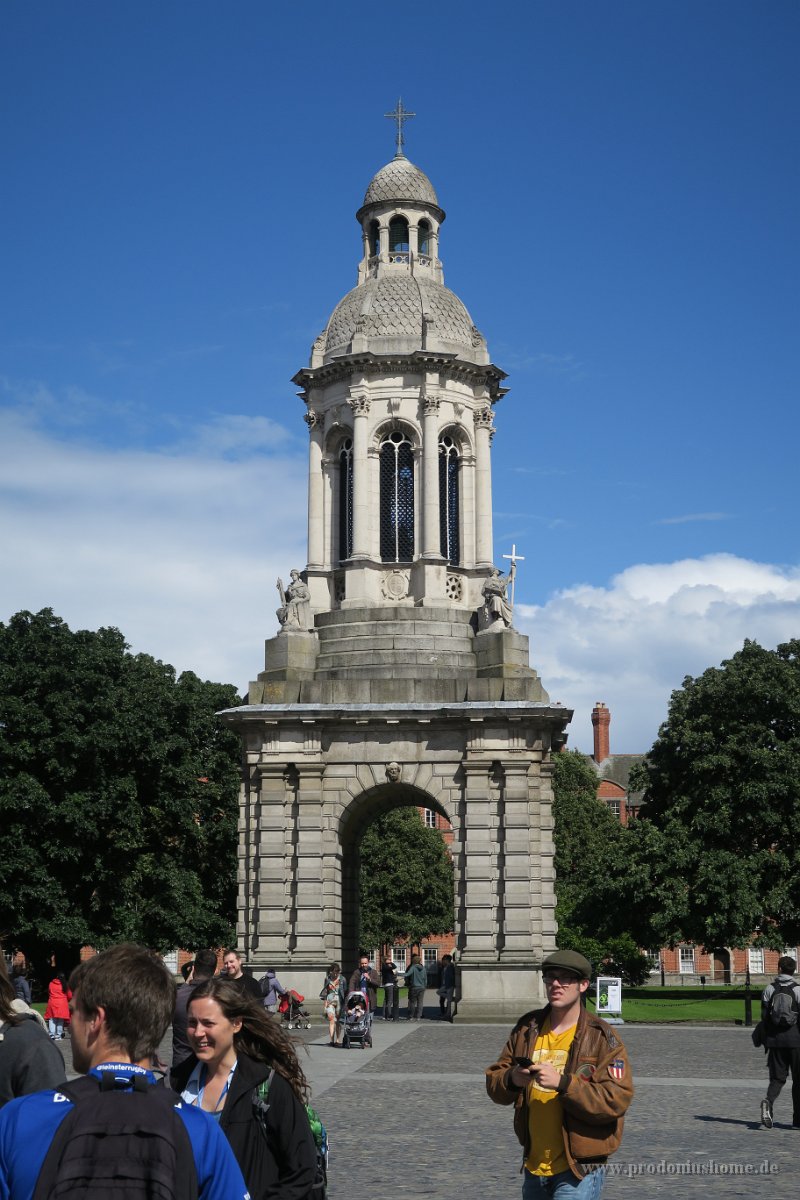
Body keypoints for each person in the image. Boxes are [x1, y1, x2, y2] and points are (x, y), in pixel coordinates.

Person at [0, 943, 249, 1200]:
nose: (71, 1026)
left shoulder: (19, 1119)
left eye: (74, 1012)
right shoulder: (200, 1131)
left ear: (96, 1020)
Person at [486, 949, 633, 1198]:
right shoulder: (527, 1028)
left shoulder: (601, 1037)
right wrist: (512, 1078)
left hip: (578, 1168)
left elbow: (616, 1098)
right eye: (550, 977)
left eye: (566, 978)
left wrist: (564, 1084)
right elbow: (494, 1081)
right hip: (534, 1164)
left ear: (583, 985)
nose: (556, 984)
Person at [172, 975, 318, 1200]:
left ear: (236, 1023)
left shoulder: (267, 1085)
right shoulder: (176, 1083)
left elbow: (302, 1168)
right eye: (192, 1023)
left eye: (208, 1023)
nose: (198, 1032)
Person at [0, 954, 66, 1108]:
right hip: (58, 1004)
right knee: (58, 1022)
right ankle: (56, 1034)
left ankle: (55, 1033)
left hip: (48, 1004)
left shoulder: (29, 1044)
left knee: (55, 1022)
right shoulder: (61, 985)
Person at [759, 954, 800, 1129]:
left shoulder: (769, 989)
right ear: (794, 970)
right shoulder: (798, 990)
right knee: (799, 1081)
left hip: (775, 1040)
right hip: (796, 1040)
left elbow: (764, 1017)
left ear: (779, 969)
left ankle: (768, 1101)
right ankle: (798, 1121)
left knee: (777, 1078)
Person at [173, 948, 218, 1068]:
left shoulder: (178, 997)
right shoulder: (220, 997)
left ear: (193, 969)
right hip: (210, 1065)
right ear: (215, 971)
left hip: (182, 1064)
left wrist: (185, 985)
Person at [320, 963, 346, 1046]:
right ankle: (331, 1040)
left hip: (339, 1001)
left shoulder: (342, 979)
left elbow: (345, 991)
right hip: (330, 1001)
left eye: (337, 972)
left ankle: (338, 1040)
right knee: (331, 1020)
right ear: (331, 971)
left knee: (338, 1021)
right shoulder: (327, 979)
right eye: (334, 972)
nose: (336, 974)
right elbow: (325, 992)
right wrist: (325, 1005)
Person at [43, 971, 70, 1041]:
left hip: (52, 1003)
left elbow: (49, 992)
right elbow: (69, 995)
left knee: (52, 1019)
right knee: (60, 1019)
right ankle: (59, 1034)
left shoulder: (51, 983)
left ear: (57, 977)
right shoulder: (65, 985)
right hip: (62, 1003)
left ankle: (51, 1034)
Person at [404, 953, 427, 1021]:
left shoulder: (413, 967)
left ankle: (411, 1016)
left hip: (414, 987)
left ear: (413, 961)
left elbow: (407, 974)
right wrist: (425, 986)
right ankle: (419, 1016)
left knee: (412, 1002)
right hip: (422, 987)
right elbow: (425, 978)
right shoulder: (423, 968)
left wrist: (397, 973)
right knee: (420, 1002)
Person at [381, 953, 400, 1021]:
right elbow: (394, 967)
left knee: (386, 1001)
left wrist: (390, 963)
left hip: (386, 984)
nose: (390, 960)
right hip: (389, 984)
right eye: (388, 959)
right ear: (385, 960)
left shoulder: (385, 966)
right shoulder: (385, 966)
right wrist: (391, 963)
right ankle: (389, 1014)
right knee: (389, 1001)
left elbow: (393, 967)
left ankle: (384, 1015)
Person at [438, 953, 456, 1023]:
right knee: (445, 999)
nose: (442, 961)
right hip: (444, 985)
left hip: (449, 985)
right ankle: (446, 1014)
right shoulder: (444, 967)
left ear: (446, 960)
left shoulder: (450, 967)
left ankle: (447, 1015)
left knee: (448, 1001)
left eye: (443, 960)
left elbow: (452, 977)